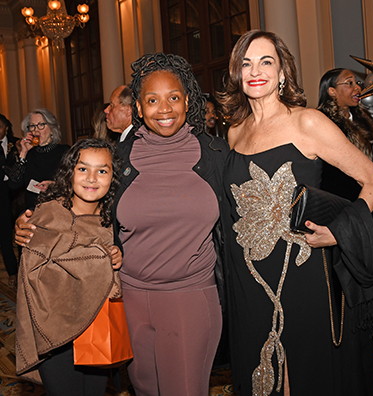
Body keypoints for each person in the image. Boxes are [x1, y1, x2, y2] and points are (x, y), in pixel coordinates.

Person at [15, 53, 229, 396]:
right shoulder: (122, 157)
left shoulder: (217, 156)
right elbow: (79, 196)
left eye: (174, 97)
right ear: (139, 109)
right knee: (144, 389)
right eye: (152, 100)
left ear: (188, 101)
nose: (164, 108)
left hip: (188, 298)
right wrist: (31, 223)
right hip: (127, 298)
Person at [219, 30, 373, 396]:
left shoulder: (306, 122)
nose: (255, 70)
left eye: (266, 61)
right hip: (250, 276)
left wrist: (340, 231)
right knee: (261, 369)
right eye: (246, 63)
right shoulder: (235, 132)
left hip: (303, 269)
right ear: (237, 73)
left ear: (282, 72)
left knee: (306, 368)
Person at [15, 138, 123, 396]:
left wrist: (118, 257)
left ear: (113, 178)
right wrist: (98, 260)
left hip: (95, 328)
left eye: (102, 171)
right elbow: (32, 275)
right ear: (69, 172)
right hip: (54, 334)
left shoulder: (113, 221)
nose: (92, 178)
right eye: (83, 168)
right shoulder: (46, 215)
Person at [318, 68, 373, 200]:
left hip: (370, 197)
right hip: (338, 200)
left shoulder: (365, 120)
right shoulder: (323, 123)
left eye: (356, 82)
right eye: (349, 83)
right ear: (332, 91)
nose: (357, 87)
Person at [8, 108, 70, 210]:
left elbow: (73, 184)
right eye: (32, 126)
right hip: (33, 212)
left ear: (51, 128)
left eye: (41, 125)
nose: (36, 130)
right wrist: (23, 153)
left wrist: (54, 186)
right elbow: (13, 184)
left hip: (57, 210)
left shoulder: (64, 151)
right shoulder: (29, 154)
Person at [0, 113, 20, 288]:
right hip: (1, 198)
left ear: (6, 127)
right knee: (5, 237)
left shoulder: (17, 144)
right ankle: (12, 273)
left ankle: (23, 270)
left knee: (22, 236)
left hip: (18, 196)